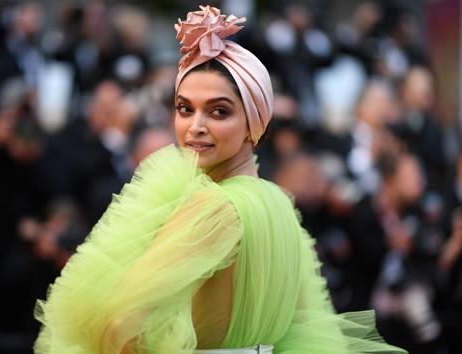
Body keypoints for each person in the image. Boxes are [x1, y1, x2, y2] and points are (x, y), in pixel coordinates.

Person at [34, 6, 407, 353]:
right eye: (184, 108)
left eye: (219, 111)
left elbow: (120, 325)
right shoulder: (277, 202)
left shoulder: (214, 207)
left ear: (254, 122)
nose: (195, 127)